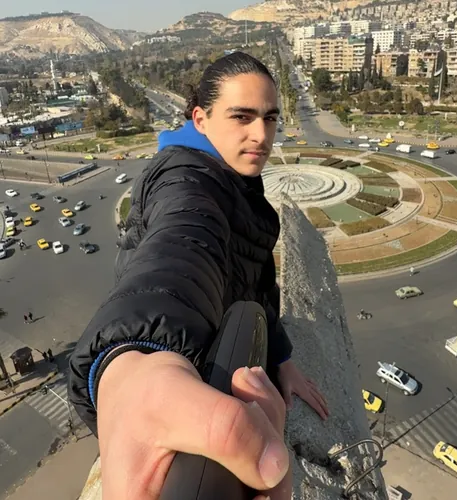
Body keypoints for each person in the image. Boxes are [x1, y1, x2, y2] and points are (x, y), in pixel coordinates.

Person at [68, 52, 328, 500]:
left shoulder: (231, 171)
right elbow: (181, 246)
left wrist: (282, 356)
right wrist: (131, 366)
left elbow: (251, 277)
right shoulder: (187, 180)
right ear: (200, 119)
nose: (261, 134)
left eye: (270, 118)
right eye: (242, 117)